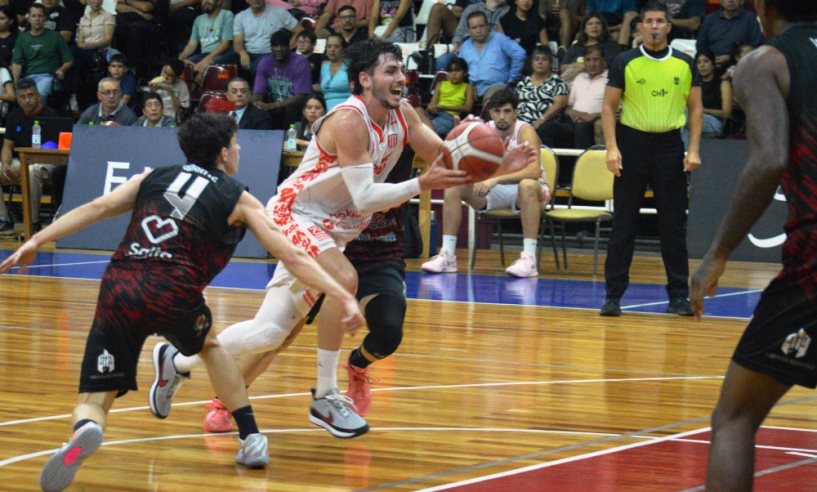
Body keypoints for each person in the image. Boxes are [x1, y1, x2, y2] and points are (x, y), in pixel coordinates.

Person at [151, 39, 529, 439]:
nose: (400, 78)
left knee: (269, 333)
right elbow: (365, 197)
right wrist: (421, 183)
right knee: (344, 279)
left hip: (335, 229)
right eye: (389, 71)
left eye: (401, 70)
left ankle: (177, 359)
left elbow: (448, 162)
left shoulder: (404, 114)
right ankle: (325, 395)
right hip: (297, 213)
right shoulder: (349, 120)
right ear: (365, 79)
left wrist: (497, 163)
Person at [0, 112, 365, 490]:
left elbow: (96, 208)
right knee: (210, 346)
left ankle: (87, 426)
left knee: (94, 397)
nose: (239, 149)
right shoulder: (240, 199)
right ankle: (251, 437)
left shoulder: (151, 177)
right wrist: (341, 293)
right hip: (172, 290)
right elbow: (293, 255)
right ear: (224, 153)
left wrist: (36, 239)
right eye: (236, 143)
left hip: (120, 286)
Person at [689, 2, 817, 490]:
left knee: (735, 418)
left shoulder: (766, 62)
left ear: (762, 6)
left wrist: (718, 252)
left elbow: (768, 160)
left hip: (813, 264)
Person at [199, 159, 417, 433]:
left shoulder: (402, 143)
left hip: (378, 257)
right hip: (327, 249)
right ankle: (227, 402)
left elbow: (441, 152)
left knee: (389, 333)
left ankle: (358, 365)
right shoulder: (338, 150)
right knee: (277, 337)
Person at [599, 0, 702, 317]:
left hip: (669, 146)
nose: (655, 26)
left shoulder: (685, 63)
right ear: (641, 26)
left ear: (669, 26)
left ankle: (679, 296)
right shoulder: (625, 61)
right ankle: (613, 296)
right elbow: (608, 107)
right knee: (624, 223)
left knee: (673, 225)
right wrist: (612, 148)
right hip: (632, 145)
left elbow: (696, 109)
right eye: (649, 21)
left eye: (660, 21)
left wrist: (693, 149)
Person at [422, 88, 548, 277]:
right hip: (494, 190)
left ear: (516, 113)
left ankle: (529, 259)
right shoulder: (482, 131)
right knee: (454, 185)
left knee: (527, 185)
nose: (502, 116)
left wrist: (494, 179)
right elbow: (464, 166)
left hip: (530, 191)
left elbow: (533, 171)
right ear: (491, 112)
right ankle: (447, 255)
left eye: (507, 111)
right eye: (497, 111)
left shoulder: (525, 130)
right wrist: (458, 138)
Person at [0, 78, 60, 234]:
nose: (27, 100)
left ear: (38, 95)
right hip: (20, 162)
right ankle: (3, 221)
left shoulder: (52, 115)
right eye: (23, 96)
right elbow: (7, 146)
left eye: (31, 95)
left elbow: (55, 149)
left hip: (45, 163)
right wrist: (6, 165)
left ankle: (32, 223)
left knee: (31, 171)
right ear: (17, 99)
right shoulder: (13, 117)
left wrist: (23, 166)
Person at [11, 3, 73, 103]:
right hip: (28, 77)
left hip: (50, 77)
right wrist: (16, 82)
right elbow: (17, 63)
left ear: (45, 18)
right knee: (22, 95)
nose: (37, 19)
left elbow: (68, 60)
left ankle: (36, 113)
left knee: (37, 95)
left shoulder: (55, 36)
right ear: (28, 19)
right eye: (33, 16)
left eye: (40, 16)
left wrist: (61, 70)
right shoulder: (22, 38)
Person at [458, 10, 526, 101]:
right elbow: (460, 68)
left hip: (496, 86)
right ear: (469, 30)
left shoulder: (500, 39)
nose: (478, 30)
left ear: (488, 26)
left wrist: (512, 79)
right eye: (474, 28)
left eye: (481, 26)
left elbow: (519, 53)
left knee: (491, 98)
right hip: (473, 87)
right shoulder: (465, 46)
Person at [252, 29, 311, 129]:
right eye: (275, 46)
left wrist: (276, 105)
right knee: (256, 108)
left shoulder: (300, 62)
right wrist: (256, 102)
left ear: (289, 47)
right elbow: (258, 92)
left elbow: (300, 96)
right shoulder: (264, 62)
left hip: (295, 106)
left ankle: (291, 137)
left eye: (282, 46)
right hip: (273, 104)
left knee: (290, 109)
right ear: (271, 47)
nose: (279, 49)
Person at [233, 0, 301, 81]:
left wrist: (286, 47)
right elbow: (237, 43)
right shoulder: (240, 17)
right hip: (248, 53)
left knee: (255, 69)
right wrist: (242, 53)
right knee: (223, 62)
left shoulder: (279, 12)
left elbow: (299, 31)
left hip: (270, 53)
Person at [177, 0, 238, 83]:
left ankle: (194, 87)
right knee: (181, 63)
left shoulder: (227, 15)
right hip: (204, 55)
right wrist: (181, 57)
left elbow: (225, 44)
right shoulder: (199, 19)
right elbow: (192, 44)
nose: (206, 1)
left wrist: (205, 60)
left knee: (207, 65)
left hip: (222, 54)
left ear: (218, 2)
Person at [681, 49, 731, 146]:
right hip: (694, 121)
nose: (702, 65)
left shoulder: (723, 83)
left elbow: (727, 113)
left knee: (682, 116)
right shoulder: (693, 84)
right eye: (698, 62)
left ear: (713, 65)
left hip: (715, 123)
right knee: (685, 132)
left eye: (706, 61)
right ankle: (685, 155)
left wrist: (703, 110)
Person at [416, 56, 474, 137]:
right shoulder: (441, 84)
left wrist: (444, 108)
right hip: (435, 113)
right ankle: (427, 133)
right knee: (418, 110)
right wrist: (431, 108)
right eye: (451, 71)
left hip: (449, 117)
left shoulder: (468, 87)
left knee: (419, 126)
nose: (454, 74)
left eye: (457, 70)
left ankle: (428, 135)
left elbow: (468, 108)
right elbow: (432, 104)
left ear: (465, 73)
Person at [696, 0, 764, 69]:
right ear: (720, 1)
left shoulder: (750, 18)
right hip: (713, 66)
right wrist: (711, 59)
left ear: (741, 1)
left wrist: (731, 58)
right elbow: (701, 45)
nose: (730, 1)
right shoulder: (710, 19)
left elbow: (757, 46)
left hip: (741, 65)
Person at [515, 45, 568, 133]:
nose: (540, 62)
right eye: (537, 59)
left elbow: (560, 103)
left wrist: (541, 120)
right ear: (532, 62)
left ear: (550, 63)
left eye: (544, 59)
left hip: (546, 124)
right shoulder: (523, 82)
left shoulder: (557, 82)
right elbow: (514, 104)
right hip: (521, 123)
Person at [559, 12, 621, 84]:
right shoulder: (576, 46)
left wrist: (582, 66)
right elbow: (563, 67)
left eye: (598, 23)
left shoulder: (611, 46)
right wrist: (577, 66)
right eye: (590, 24)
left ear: (603, 28)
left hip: (601, 82)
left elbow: (608, 66)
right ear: (584, 29)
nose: (594, 26)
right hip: (573, 82)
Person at [149, 59, 191, 123]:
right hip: (155, 113)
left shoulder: (182, 85)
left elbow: (181, 109)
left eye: (170, 75)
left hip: (171, 116)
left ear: (177, 77)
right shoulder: (157, 82)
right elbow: (149, 101)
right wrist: (152, 91)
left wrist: (170, 91)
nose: (165, 76)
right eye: (164, 72)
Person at [320, 33, 350, 110]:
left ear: (343, 49)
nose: (332, 50)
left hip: (347, 109)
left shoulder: (350, 66)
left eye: (336, 46)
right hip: (326, 110)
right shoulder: (324, 67)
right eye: (329, 46)